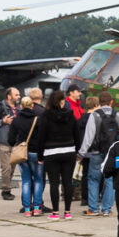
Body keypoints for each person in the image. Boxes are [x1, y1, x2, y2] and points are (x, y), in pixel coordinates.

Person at [38, 90, 81, 220]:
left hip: (51, 153)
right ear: (63, 101)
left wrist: (40, 156)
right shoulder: (71, 115)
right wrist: (77, 151)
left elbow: (41, 137)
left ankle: (55, 212)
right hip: (69, 151)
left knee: (54, 183)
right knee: (68, 182)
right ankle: (67, 212)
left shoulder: (45, 116)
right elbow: (77, 135)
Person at [77, 91, 119, 217]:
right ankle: (107, 209)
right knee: (110, 180)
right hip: (112, 153)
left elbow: (88, 138)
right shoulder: (117, 115)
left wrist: (81, 153)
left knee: (93, 180)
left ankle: (93, 209)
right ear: (111, 101)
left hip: (96, 153)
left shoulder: (94, 116)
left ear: (99, 102)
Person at [9, 96, 45, 215]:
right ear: (32, 106)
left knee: (26, 180)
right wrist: (41, 155)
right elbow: (42, 139)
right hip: (36, 152)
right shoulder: (37, 119)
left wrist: (19, 142)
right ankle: (37, 208)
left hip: (22, 153)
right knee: (38, 180)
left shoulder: (16, 120)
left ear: (21, 106)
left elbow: (10, 140)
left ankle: (27, 210)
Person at [0, 87, 21, 201]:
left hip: (16, 143)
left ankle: (8, 189)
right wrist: (3, 121)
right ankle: (6, 191)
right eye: (16, 95)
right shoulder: (1, 106)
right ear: (9, 96)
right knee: (6, 168)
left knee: (12, 168)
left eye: (19, 95)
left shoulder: (19, 108)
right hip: (4, 142)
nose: (19, 97)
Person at [77, 96, 98, 208]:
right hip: (95, 150)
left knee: (85, 175)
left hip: (84, 152)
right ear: (96, 105)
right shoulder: (96, 118)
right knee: (97, 175)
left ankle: (84, 198)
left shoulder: (81, 119)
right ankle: (96, 196)